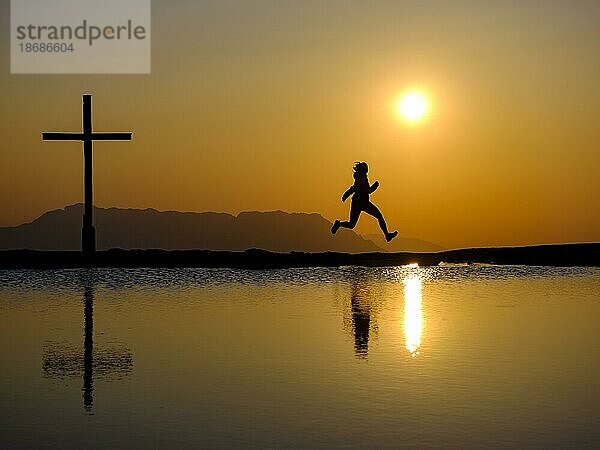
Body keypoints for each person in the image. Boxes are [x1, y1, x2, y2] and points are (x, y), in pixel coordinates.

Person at [331, 162, 398, 242]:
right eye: (366, 169)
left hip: (357, 202)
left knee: (352, 224)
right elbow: (367, 191)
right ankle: (387, 235)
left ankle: (339, 224)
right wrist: (375, 186)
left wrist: (346, 195)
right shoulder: (362, 178)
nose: (367, 170)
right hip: (363, 203)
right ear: (364, 170)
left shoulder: (359, 178)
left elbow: (354, 188)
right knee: (379, 216)